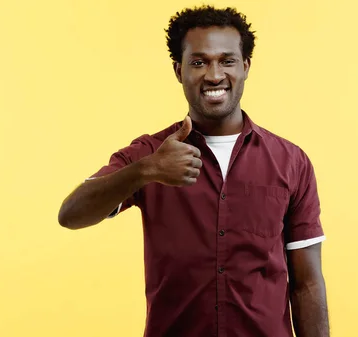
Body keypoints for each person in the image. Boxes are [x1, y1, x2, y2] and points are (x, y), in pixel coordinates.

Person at [58, 5, 329, 337]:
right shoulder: (150, 153)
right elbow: (70, 215)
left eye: (226, 61)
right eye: (199, 62)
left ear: (245, 67)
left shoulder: (291, 162)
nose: (214, 75)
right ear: (178, 70)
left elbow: (307, 284)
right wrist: (146, 171)